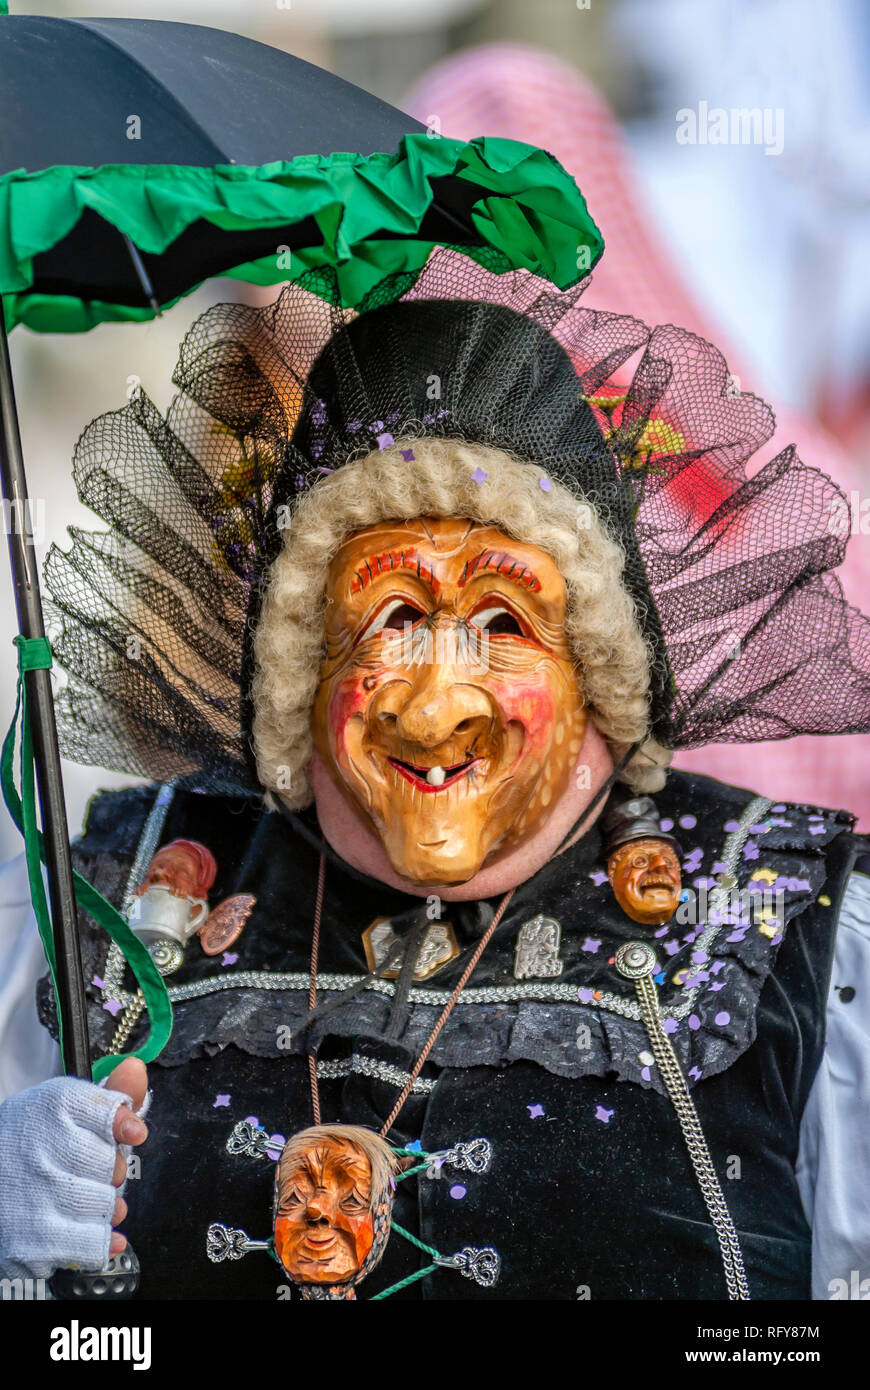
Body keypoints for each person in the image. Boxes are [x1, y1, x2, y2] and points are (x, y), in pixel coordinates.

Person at [0, 247, 868, 1300]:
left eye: (504, 622)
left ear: (596, 666)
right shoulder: (95, 905)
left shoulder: (799, 934)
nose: (435, 701)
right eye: (392, 618)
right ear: (302, 663)